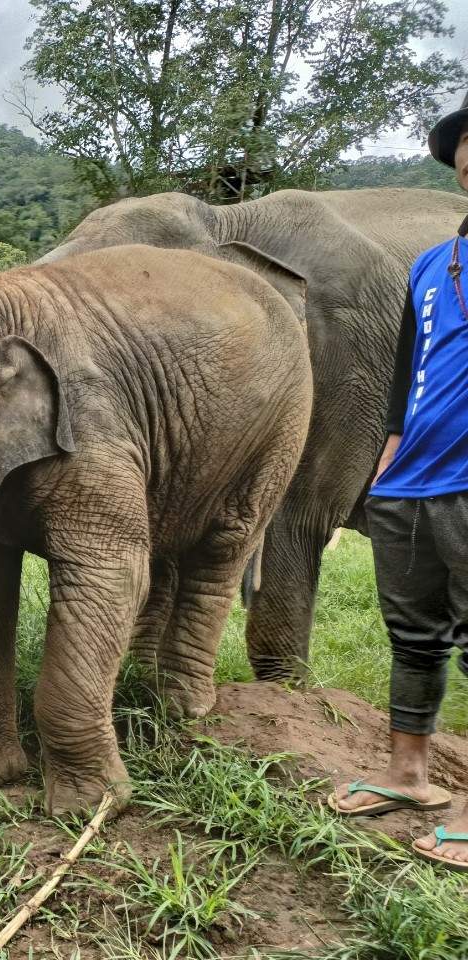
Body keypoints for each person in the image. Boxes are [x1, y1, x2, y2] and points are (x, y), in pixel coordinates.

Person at [331, 92, 468, 871]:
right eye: (463, 140)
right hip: (414, 483)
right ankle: (408, 777)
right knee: (413, 638)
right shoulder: (429, 265)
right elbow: (405, 370)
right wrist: (389, 445)